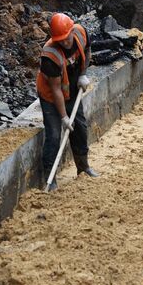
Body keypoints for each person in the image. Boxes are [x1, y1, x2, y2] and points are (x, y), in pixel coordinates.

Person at [36, 12, 98, 190]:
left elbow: (87, 51)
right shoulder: (50, 56)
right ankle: (50, 178)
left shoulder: (80, 33)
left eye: (66, 37)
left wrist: (83, 74)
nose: (65, 42)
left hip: (71, 91)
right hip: (51, 97)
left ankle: (83, 167)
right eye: (60, 40)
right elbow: (55, 90)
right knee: (54, 135)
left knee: (80, 127)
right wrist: (63, 117)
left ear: (72, 30)